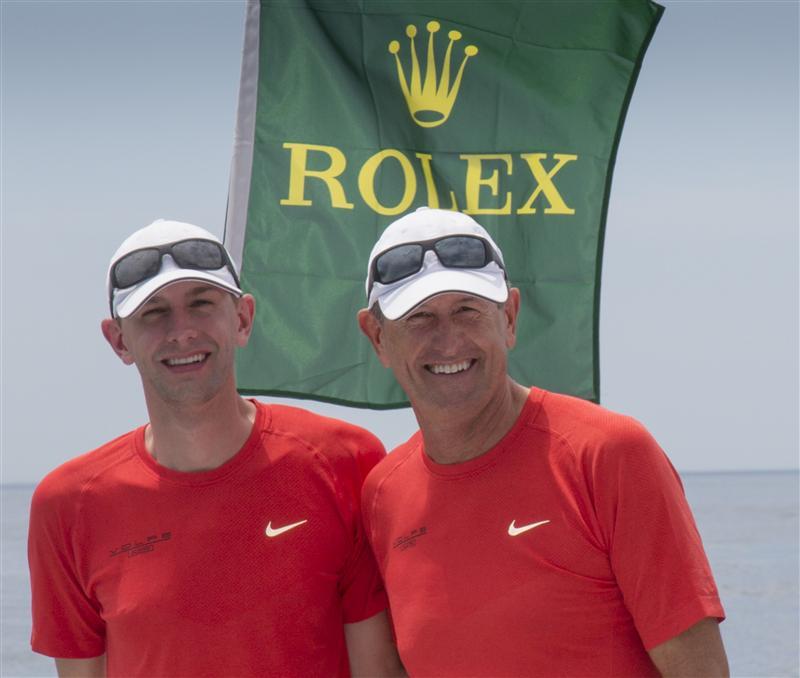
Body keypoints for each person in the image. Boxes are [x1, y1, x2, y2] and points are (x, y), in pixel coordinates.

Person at [357, 207, 728, 677]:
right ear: (377, 338)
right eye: (419, 318)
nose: (448, 341)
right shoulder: (382, 496)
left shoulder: (609, 453)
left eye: (468, 311)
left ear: (509, 318)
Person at [29, 219, 404, 678]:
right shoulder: (68, 504)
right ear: (118, 340)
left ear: (243, 319)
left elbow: (378, 671)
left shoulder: (343, 460)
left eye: (202, 304)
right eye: (153, 312)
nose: (181, 330)